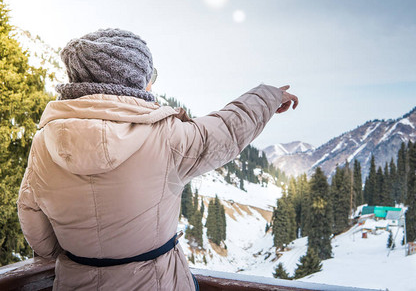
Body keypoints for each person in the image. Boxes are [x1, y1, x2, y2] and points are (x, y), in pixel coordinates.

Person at [17, 28, 298, 290]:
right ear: (130, 78)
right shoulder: (166, 136)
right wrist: (268, 97)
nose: (151, 83)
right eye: (150, 75)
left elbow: (31, 214)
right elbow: (225, 130)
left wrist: (73, 256)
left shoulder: (45, 140)